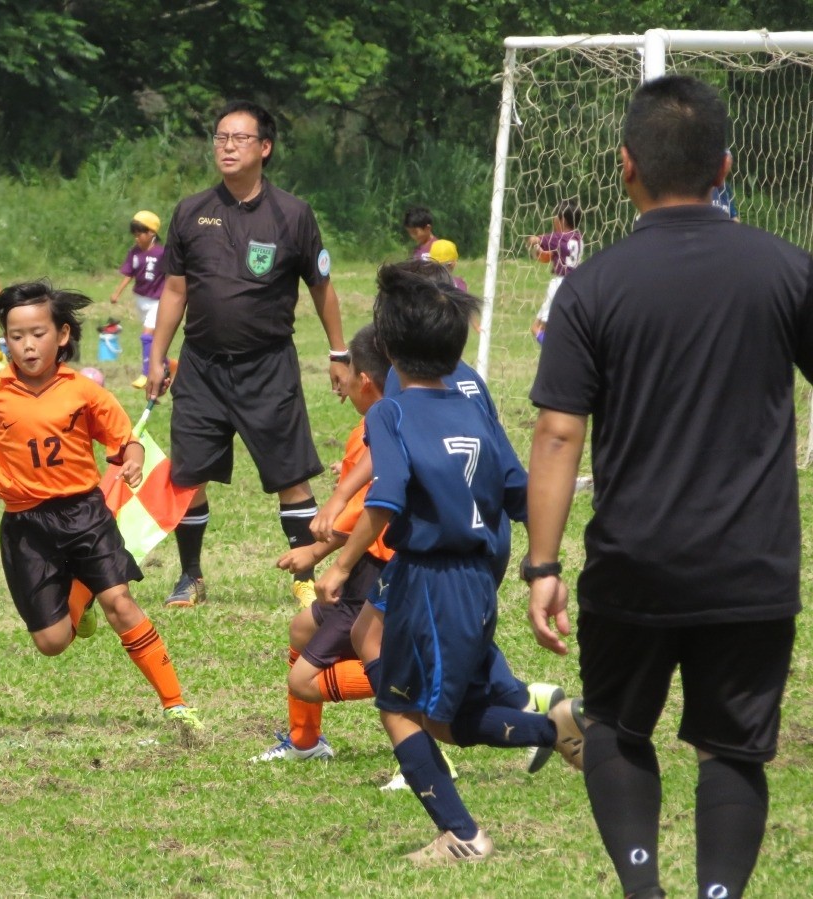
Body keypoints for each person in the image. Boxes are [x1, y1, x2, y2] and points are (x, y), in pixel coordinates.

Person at [525, 75, 811, 899]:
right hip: (752, 566)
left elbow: (558, 433)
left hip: (633, 562)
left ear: (626, 165)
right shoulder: (788, 270)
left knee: (616, 724)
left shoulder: (592, 287)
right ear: (726, 167)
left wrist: (542, 564)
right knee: (734, 749)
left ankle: (643, 889)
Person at [315, 265, 584, 865]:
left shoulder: (390, 413)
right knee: (440, 716)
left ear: (385, 349)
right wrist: (546, 566)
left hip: (428, 580)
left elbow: (387, 498)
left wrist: (340, 566)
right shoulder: (474, 406)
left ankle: (466, 832)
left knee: (400, 710)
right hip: (479, 580)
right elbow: (521, 493)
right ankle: (554, 727)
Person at [0, 279, 202, 731]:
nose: (28, 346)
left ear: (62, 334)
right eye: (16, 336)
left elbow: (125, 441)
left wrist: (133, 460)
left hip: (85, 514)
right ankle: (81, 592)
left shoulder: (83, 391)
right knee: (52, 642)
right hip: (26, 525)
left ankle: (175, 704)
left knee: (121, 603)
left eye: (38, 334)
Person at [145, 99, 349, 610]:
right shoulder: (190, 211)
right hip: (201, 366)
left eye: (239, 138)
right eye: (221, 137)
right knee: (189, 474)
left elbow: (322, 287)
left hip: (268, 366)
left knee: (291, 476)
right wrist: (157, 355)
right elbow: (175, 290)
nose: (228, 146)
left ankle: (305, 577)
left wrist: (339, 352)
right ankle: (190, 576)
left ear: (265, 147)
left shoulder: (293, 214)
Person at [251, 323, 390, 763]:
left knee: (307, 680)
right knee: (301, 628)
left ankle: (409, 683)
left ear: (364, 379)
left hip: (379, 568)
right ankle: (306, 742)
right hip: (366, 564)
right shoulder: (381, 426)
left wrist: (318, 553)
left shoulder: (379, 429)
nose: (340, 386)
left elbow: (367, 509)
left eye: (345, 374)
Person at [110, 210, 166, 390]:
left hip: (157, 301)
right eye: (134, 234)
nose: (136, 238)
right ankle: (167, 365)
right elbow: (129, 274)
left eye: (140, 233)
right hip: (140, 299)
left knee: (147, 336)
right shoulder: (134, 252)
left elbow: (174, 275)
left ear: (152, 233)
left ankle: (146, 374)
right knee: (153, 339)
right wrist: (117, 293)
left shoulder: (162, 253)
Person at [528, 201, 583, 343]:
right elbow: (555, 254)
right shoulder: (578, 238)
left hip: (559, 284)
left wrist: (534, 245)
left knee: (537, 328)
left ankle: (553, 350)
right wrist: (545, 254)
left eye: (555, 217)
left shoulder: (558, 238)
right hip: (575, 285)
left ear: (562, 220)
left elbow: (534, 240)